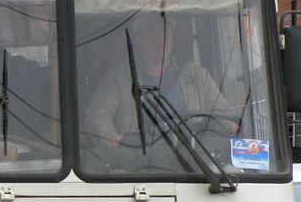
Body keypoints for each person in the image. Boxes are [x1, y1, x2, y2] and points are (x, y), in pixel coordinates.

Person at [85, 12, 235, 149]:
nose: (160, 39)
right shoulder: (117, 77)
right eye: (151, 32)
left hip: (192, 162)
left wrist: (232, 127)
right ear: (138, 39)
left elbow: (220, 113)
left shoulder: (198, 76)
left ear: (172, 37)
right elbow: (97, 115)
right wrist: (111, 141)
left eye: (165, 32)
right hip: (137, 163)